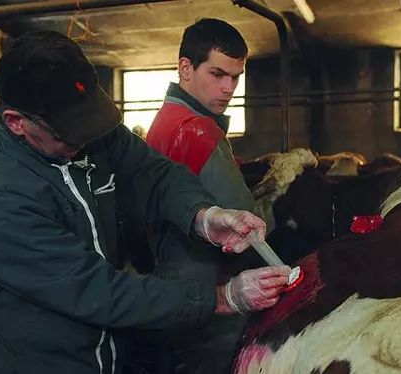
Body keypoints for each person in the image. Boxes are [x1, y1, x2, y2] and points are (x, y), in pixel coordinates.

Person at [0, 29, 291, 374]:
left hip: (106, 348)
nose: (85, 140)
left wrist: (204, 215)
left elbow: (152, 173)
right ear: (16, 123)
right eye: (70, 132)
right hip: (37, 360)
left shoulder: (86, 131)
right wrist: (221, 297)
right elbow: (97, 291)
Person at [142, 18, 274, 374]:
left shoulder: (165, 120)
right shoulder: (197, 131)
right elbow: (250, 224)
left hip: (169, 288)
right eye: (218, 74)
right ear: (186, 67)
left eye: (235, 77)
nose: (228, 87)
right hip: (213, 299)